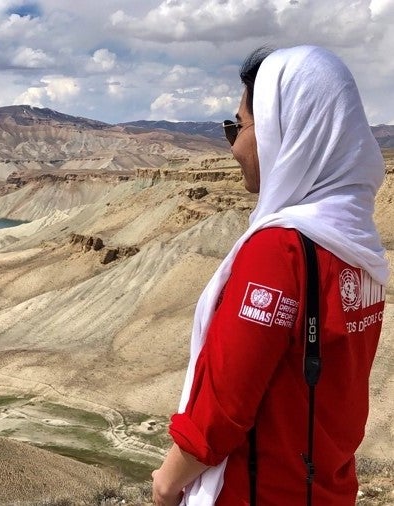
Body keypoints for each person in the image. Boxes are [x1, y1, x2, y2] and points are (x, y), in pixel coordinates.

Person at [151, 45, 389, 505]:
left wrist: (168, 481)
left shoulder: (280, 251)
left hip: (259, 492)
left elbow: (225, 404)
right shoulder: (357, 242)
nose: (236, 145)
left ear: (288, 130)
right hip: (326, 489)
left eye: (238, 127)